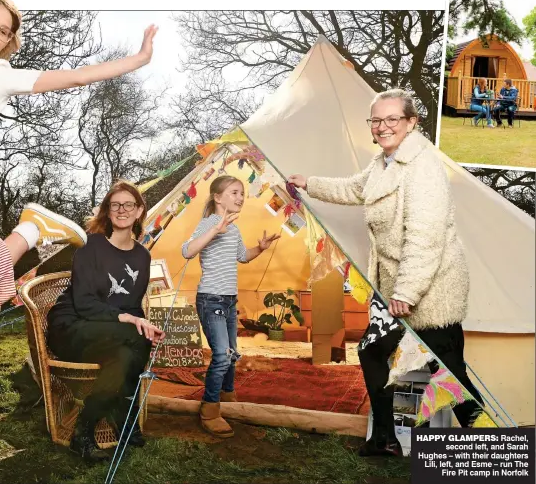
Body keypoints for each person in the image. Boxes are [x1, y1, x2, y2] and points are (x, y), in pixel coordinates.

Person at [288, 89, 484, 457]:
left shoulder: (422, 167)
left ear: (411, 122)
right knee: (375, 352)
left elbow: (425, 237)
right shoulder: (383, 163)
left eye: (392, 119)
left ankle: (495, 455)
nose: (382, 127)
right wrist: (309, 183)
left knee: (450, 374)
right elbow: (353, 188)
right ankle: (387, 438)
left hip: (431, 288)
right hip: (396, 286)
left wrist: (406, 292)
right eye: (376, 120)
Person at [0, 0, 158, 324]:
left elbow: (77, 76)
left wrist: (139, 59)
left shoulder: (0, 74)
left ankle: (32, 229)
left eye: (4, 31)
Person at [47, 180, 166, 462]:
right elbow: (85, 303)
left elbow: (132, 305)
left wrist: (141, 324)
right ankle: (126, 416)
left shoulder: (142, 256)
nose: (121, 210)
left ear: (139, 211)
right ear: (108, 211)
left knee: (126, 353)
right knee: (134, 335)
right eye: (115, 205)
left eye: (128, 204)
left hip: (110, 333)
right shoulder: (92, 247)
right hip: (72, 328)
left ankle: (83, 431)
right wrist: (128, 319)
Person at [182, 176, 280, 438]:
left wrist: (259, 248)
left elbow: (241, 257)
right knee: (222, 355)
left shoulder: (234, 229)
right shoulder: (209, 223)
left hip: (228, 300)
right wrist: (216, 229)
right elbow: (187, 251)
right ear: (217, 197)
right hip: (211, 299)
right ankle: (210, 410)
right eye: (235, 192)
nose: (240, 197)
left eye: (242, 194)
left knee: (233, 353)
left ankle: (227, 395)